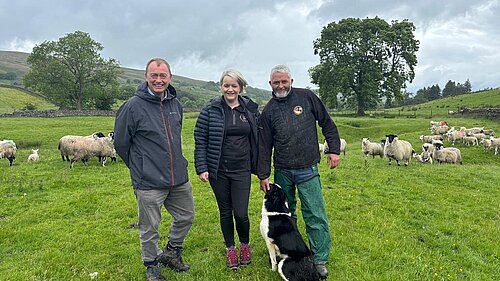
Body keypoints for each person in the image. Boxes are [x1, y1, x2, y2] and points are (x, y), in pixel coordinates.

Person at [114, 58, 195, 281]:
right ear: (146, 77)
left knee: (186, 216)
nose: (158, 80)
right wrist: (139, 166)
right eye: (154, 75)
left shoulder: (175, 104)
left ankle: (171, 252)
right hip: (148, 181)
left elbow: (175, 138)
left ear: (170, 77)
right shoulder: (132, 106)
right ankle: (151, 265)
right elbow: (121, 143)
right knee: (150, 227)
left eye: (163, 76)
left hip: (178, 177)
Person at [257, 64, 341, 279]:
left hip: (308, 168)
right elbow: (264, 145)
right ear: (270, 85)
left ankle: (320, 259)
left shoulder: (307, 98)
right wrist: (264, 174)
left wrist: (333, 149)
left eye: (284, 81)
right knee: (286, 215)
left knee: (315, 214)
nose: (281, 85)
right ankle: (288, 252)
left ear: (291, 81)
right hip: (283, 170)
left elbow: (327, 123)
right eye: (276, 82)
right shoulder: (269, 111)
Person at [194, 69, 259, 270]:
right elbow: (200, 139)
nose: (230, 89)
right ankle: (230, 249)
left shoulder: (250, 109)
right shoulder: (210, 110)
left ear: (240, 87)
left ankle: (245, 245)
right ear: (221, 87)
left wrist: (261, 165)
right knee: (225, 212)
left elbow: (260, 137)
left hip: (242, 170)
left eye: (234, 86)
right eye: (226, 85)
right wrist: (202, 167)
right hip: (218, 171)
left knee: (241, 213)